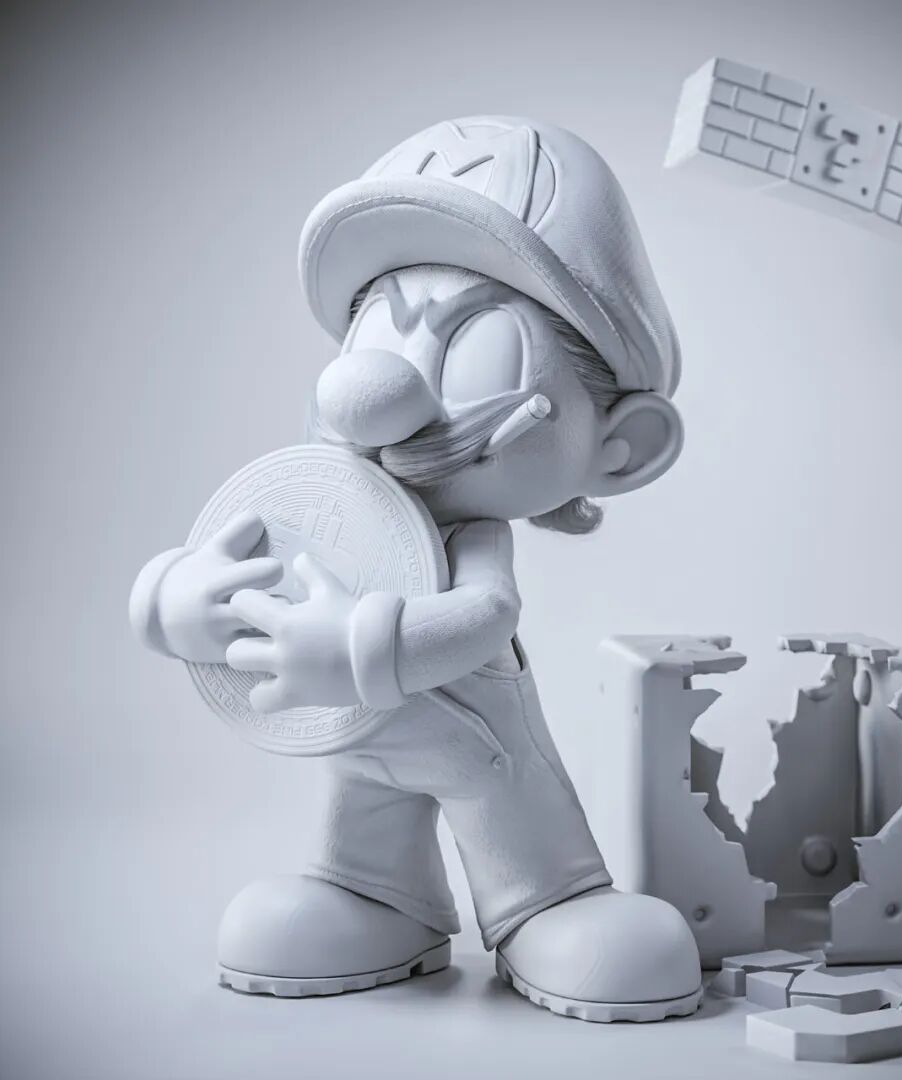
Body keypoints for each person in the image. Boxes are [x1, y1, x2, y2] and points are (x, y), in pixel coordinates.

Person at [130, 116, 702, 1022]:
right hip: (365, 740)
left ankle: (548, 902)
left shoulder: (474, 534)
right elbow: (241, 562)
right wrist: (174, 603)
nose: (373, 395)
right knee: (363, 811)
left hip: (478, 735)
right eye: (377, 337)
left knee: (509, 804)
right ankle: (374, 895)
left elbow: (487, 611)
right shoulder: (331, 509)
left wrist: (361, 646)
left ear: (620, 445)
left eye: (474, 346)